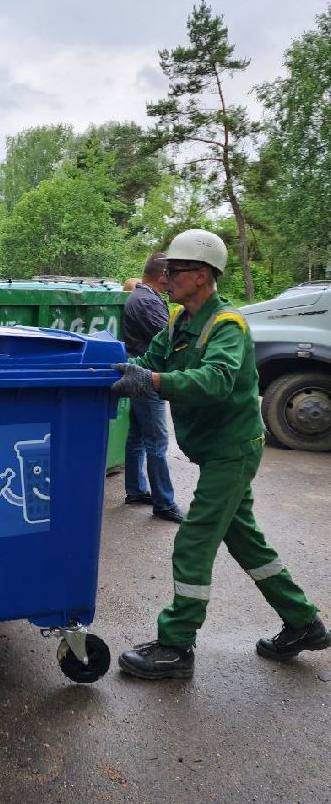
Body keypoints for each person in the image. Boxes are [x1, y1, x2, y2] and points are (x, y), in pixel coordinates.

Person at [111, 228, 329, 680]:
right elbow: (151, 361)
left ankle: (175, 646)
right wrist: (105, 375)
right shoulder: (178, 321)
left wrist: (152, 383)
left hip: (232, 450)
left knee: (193, 541)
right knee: (245, 540)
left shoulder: (228, 325)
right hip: (214, 450)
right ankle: (304, 623)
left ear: (204, 275)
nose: (166, 276)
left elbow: (216, 381)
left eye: (175, 269)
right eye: (167, 269)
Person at [121, 253, 183, 524]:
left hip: (140, 375)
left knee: (137, 437)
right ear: (162, 276)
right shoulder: (147, 301)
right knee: (157, 442)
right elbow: (170, 340)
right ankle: (164, 503)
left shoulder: (141, 296)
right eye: (171, 275)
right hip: (148, 378)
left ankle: (136, 491)